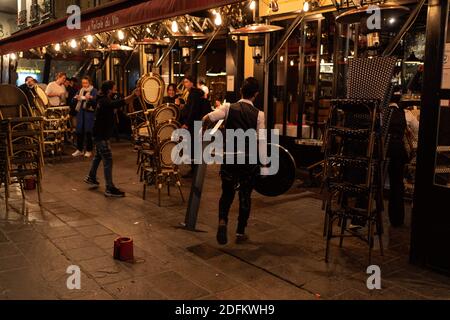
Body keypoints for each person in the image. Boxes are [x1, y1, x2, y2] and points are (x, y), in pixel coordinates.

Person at [202, 77, 265, 245]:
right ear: (256, 94)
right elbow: (261, 141)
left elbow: (206, 119)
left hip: (230, 158)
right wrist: (264, 164)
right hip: (248, 161)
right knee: (245, 196)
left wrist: (203, 134)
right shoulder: (259, 115)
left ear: (240, 91)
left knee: (227, 193)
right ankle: (240, 232)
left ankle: (222, 222)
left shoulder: (228, 108)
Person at [84, 81, 140, 197]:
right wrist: (133, 95)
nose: (115, 91)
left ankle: (91, 177)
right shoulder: (104, 101)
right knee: (108, 159)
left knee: (99, 155)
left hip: (99, 134)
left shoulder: (102, 98)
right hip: (101, 135)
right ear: (109, 90)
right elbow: (120, 102)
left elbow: (118, 103)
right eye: (114, 89)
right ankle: (109, 187)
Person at [180, 75, 211, 177]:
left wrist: (186, 123)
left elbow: (193, 110)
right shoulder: (195, 93)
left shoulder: (193, 94)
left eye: (187, 82)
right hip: (196, 123)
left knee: (193, 147)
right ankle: (195, 170)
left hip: (193, 124)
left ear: (192, 83)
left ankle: (194, 171)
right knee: (194, 147)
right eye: (184, 82)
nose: (185, 84)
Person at [387, 89, 409, 227]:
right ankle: (397, 219)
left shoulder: (382, 113)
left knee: (375, 183)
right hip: (398, 151)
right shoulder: (405, 113)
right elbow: (417, 128)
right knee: (397, 184)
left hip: (384, 149)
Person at [72, 76, 98, 158]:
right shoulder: (80, 90)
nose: (84, 84)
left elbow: (96, 102)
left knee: (88, 132)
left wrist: (90, 98)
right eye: (83, 83)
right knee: (79, 131)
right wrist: (76, 98)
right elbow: (72, 101)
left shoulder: (94, 91)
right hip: (80, 113)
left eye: (86, 83)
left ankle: (89, 150)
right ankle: (79, 149)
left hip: (89, 113)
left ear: (89, 82)